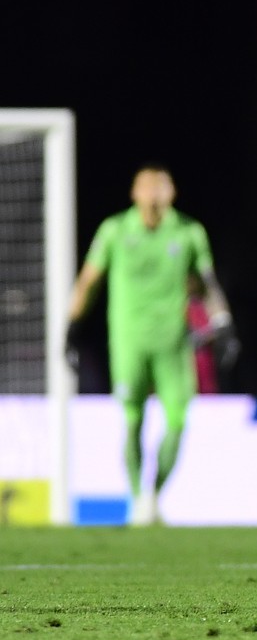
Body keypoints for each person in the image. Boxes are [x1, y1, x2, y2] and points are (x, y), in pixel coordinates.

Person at [66, 164, 233, 525]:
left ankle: (154, 495)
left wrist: (223, 324)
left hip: (174, 343)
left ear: (172, 193)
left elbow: (207, 282)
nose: (156, 193)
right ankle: (138, 496)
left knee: (177, 419)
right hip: (129, 341)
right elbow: (88, 280)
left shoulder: (189, 231)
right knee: (133, 418)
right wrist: (73, 326)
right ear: (134, 193)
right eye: (148, 186)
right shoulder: (115, 230)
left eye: (163, 186)